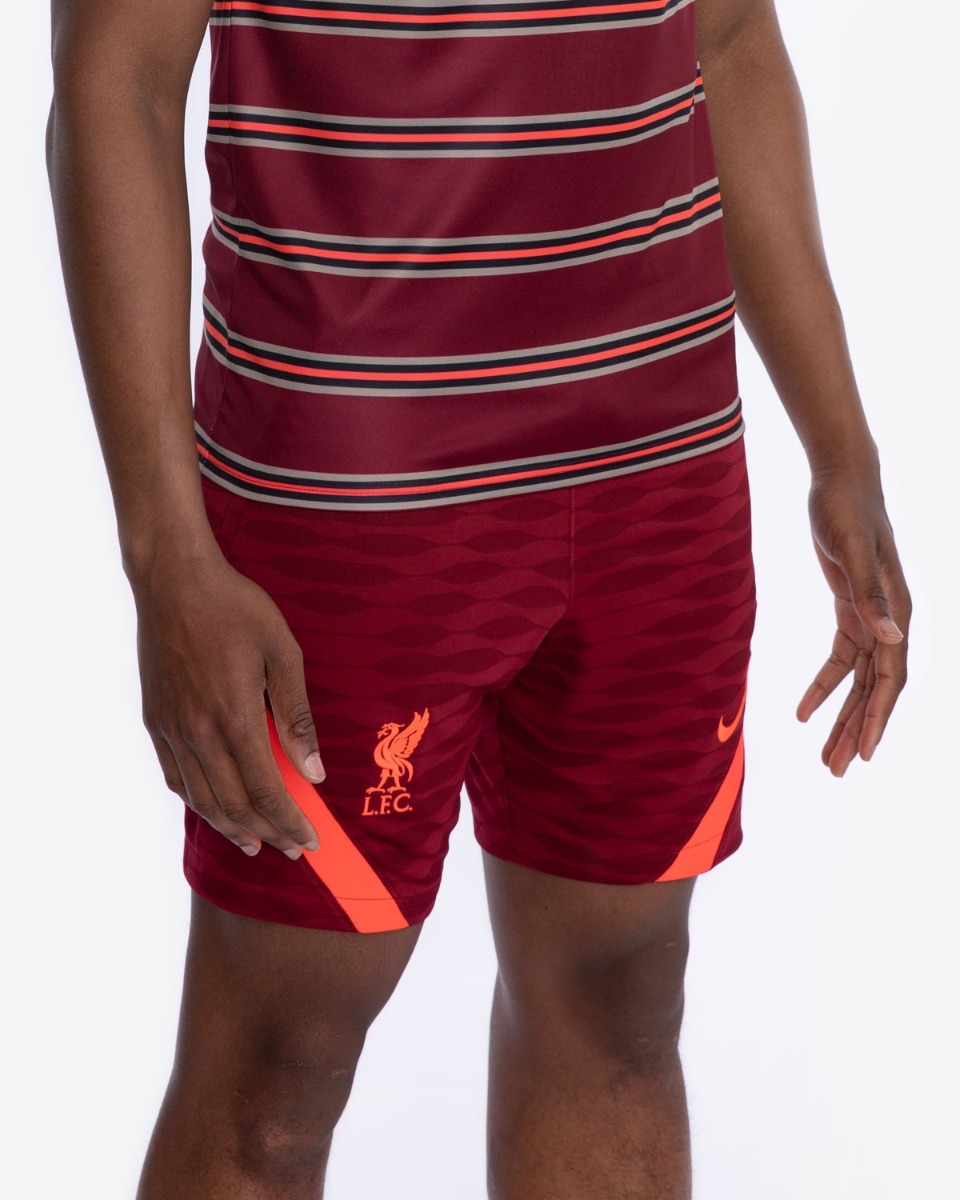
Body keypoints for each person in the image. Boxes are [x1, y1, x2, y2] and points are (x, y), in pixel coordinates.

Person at [46, 0, 911, 1196]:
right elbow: (117, 85)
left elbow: (729, 40)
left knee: (620, 1003)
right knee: (276, 1063)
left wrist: (842, 448)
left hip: (659, 480)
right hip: (352, 509)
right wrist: (165, 559)